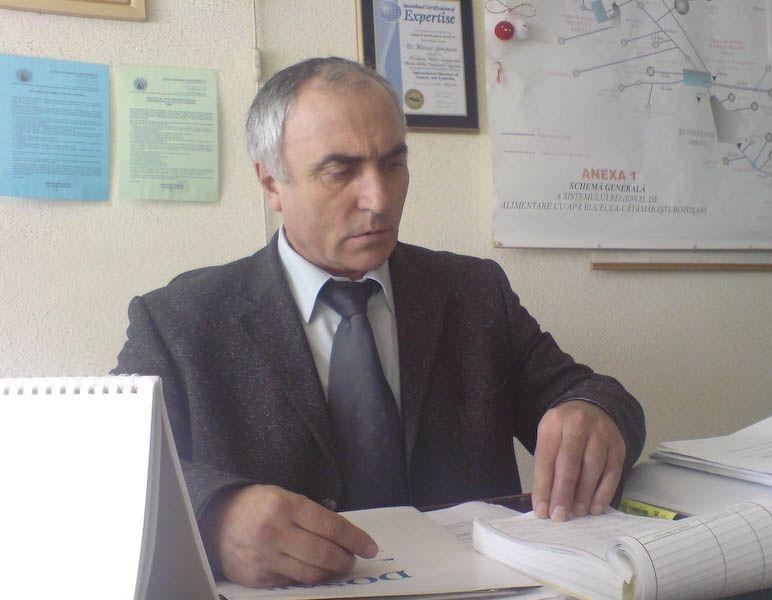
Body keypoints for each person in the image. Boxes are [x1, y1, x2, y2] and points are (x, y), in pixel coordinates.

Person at [113, 57, 645, 589]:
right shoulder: (180, 320)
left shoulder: (473, 293)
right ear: (271, 183)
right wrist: (214, 516)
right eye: (340, 171)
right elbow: (109, 462)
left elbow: (588, 393)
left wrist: (594, 412)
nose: (379, 198)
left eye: (393, 164)